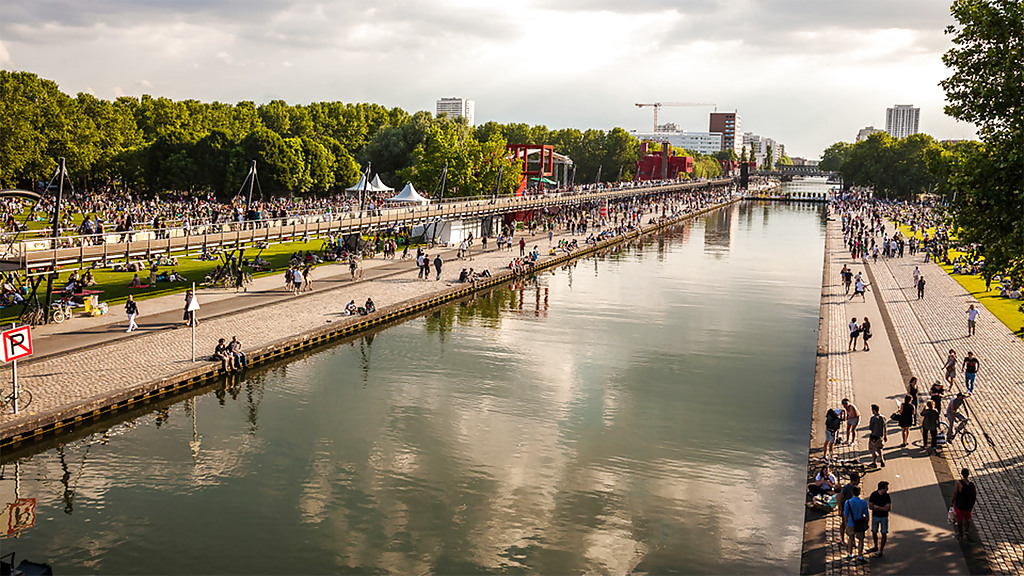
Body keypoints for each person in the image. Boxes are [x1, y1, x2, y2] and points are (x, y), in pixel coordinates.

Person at [844, 485, 869, 562]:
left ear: (852, 492)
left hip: (851, 523)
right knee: (861, 540)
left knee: (851, 538)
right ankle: (860, 555)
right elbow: (867, 515)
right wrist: (866, 523)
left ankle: (850, 554)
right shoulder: (863, 503)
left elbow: (845, 514)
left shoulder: (847, 502)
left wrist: (846, 523)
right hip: (860, 524)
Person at [952, 468, 977, 540]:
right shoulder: (972, 485)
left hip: (960, 504)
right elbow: (974, 495)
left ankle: (960, 534)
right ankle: (967, 532)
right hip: (968, 506)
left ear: (962, 474)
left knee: (959, 519)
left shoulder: (959, 483)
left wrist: (952, 502)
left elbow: (955, 493)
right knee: (967, 519)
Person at [868, 481, 892, 557]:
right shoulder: (874, 495)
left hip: (883, 517)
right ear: (883, 488)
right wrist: (882, 508)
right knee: (874, 531)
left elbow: (888, 508)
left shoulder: (887, 496)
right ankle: (876, 546)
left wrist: (878, 507)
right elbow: (871, 506)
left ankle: (880, 550)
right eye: (886, 487)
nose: (887, 489)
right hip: (876, 516)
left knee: (884, 533)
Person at [837, 472, 861, 548]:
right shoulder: (846, 488)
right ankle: (842, 539)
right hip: (845, 509)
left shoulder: (855, 488)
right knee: (844, 524)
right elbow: (840, 498)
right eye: (858, 480)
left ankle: (852, 541)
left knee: (852, 525)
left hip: (852, 510)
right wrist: (840, 509)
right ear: (854, 480)